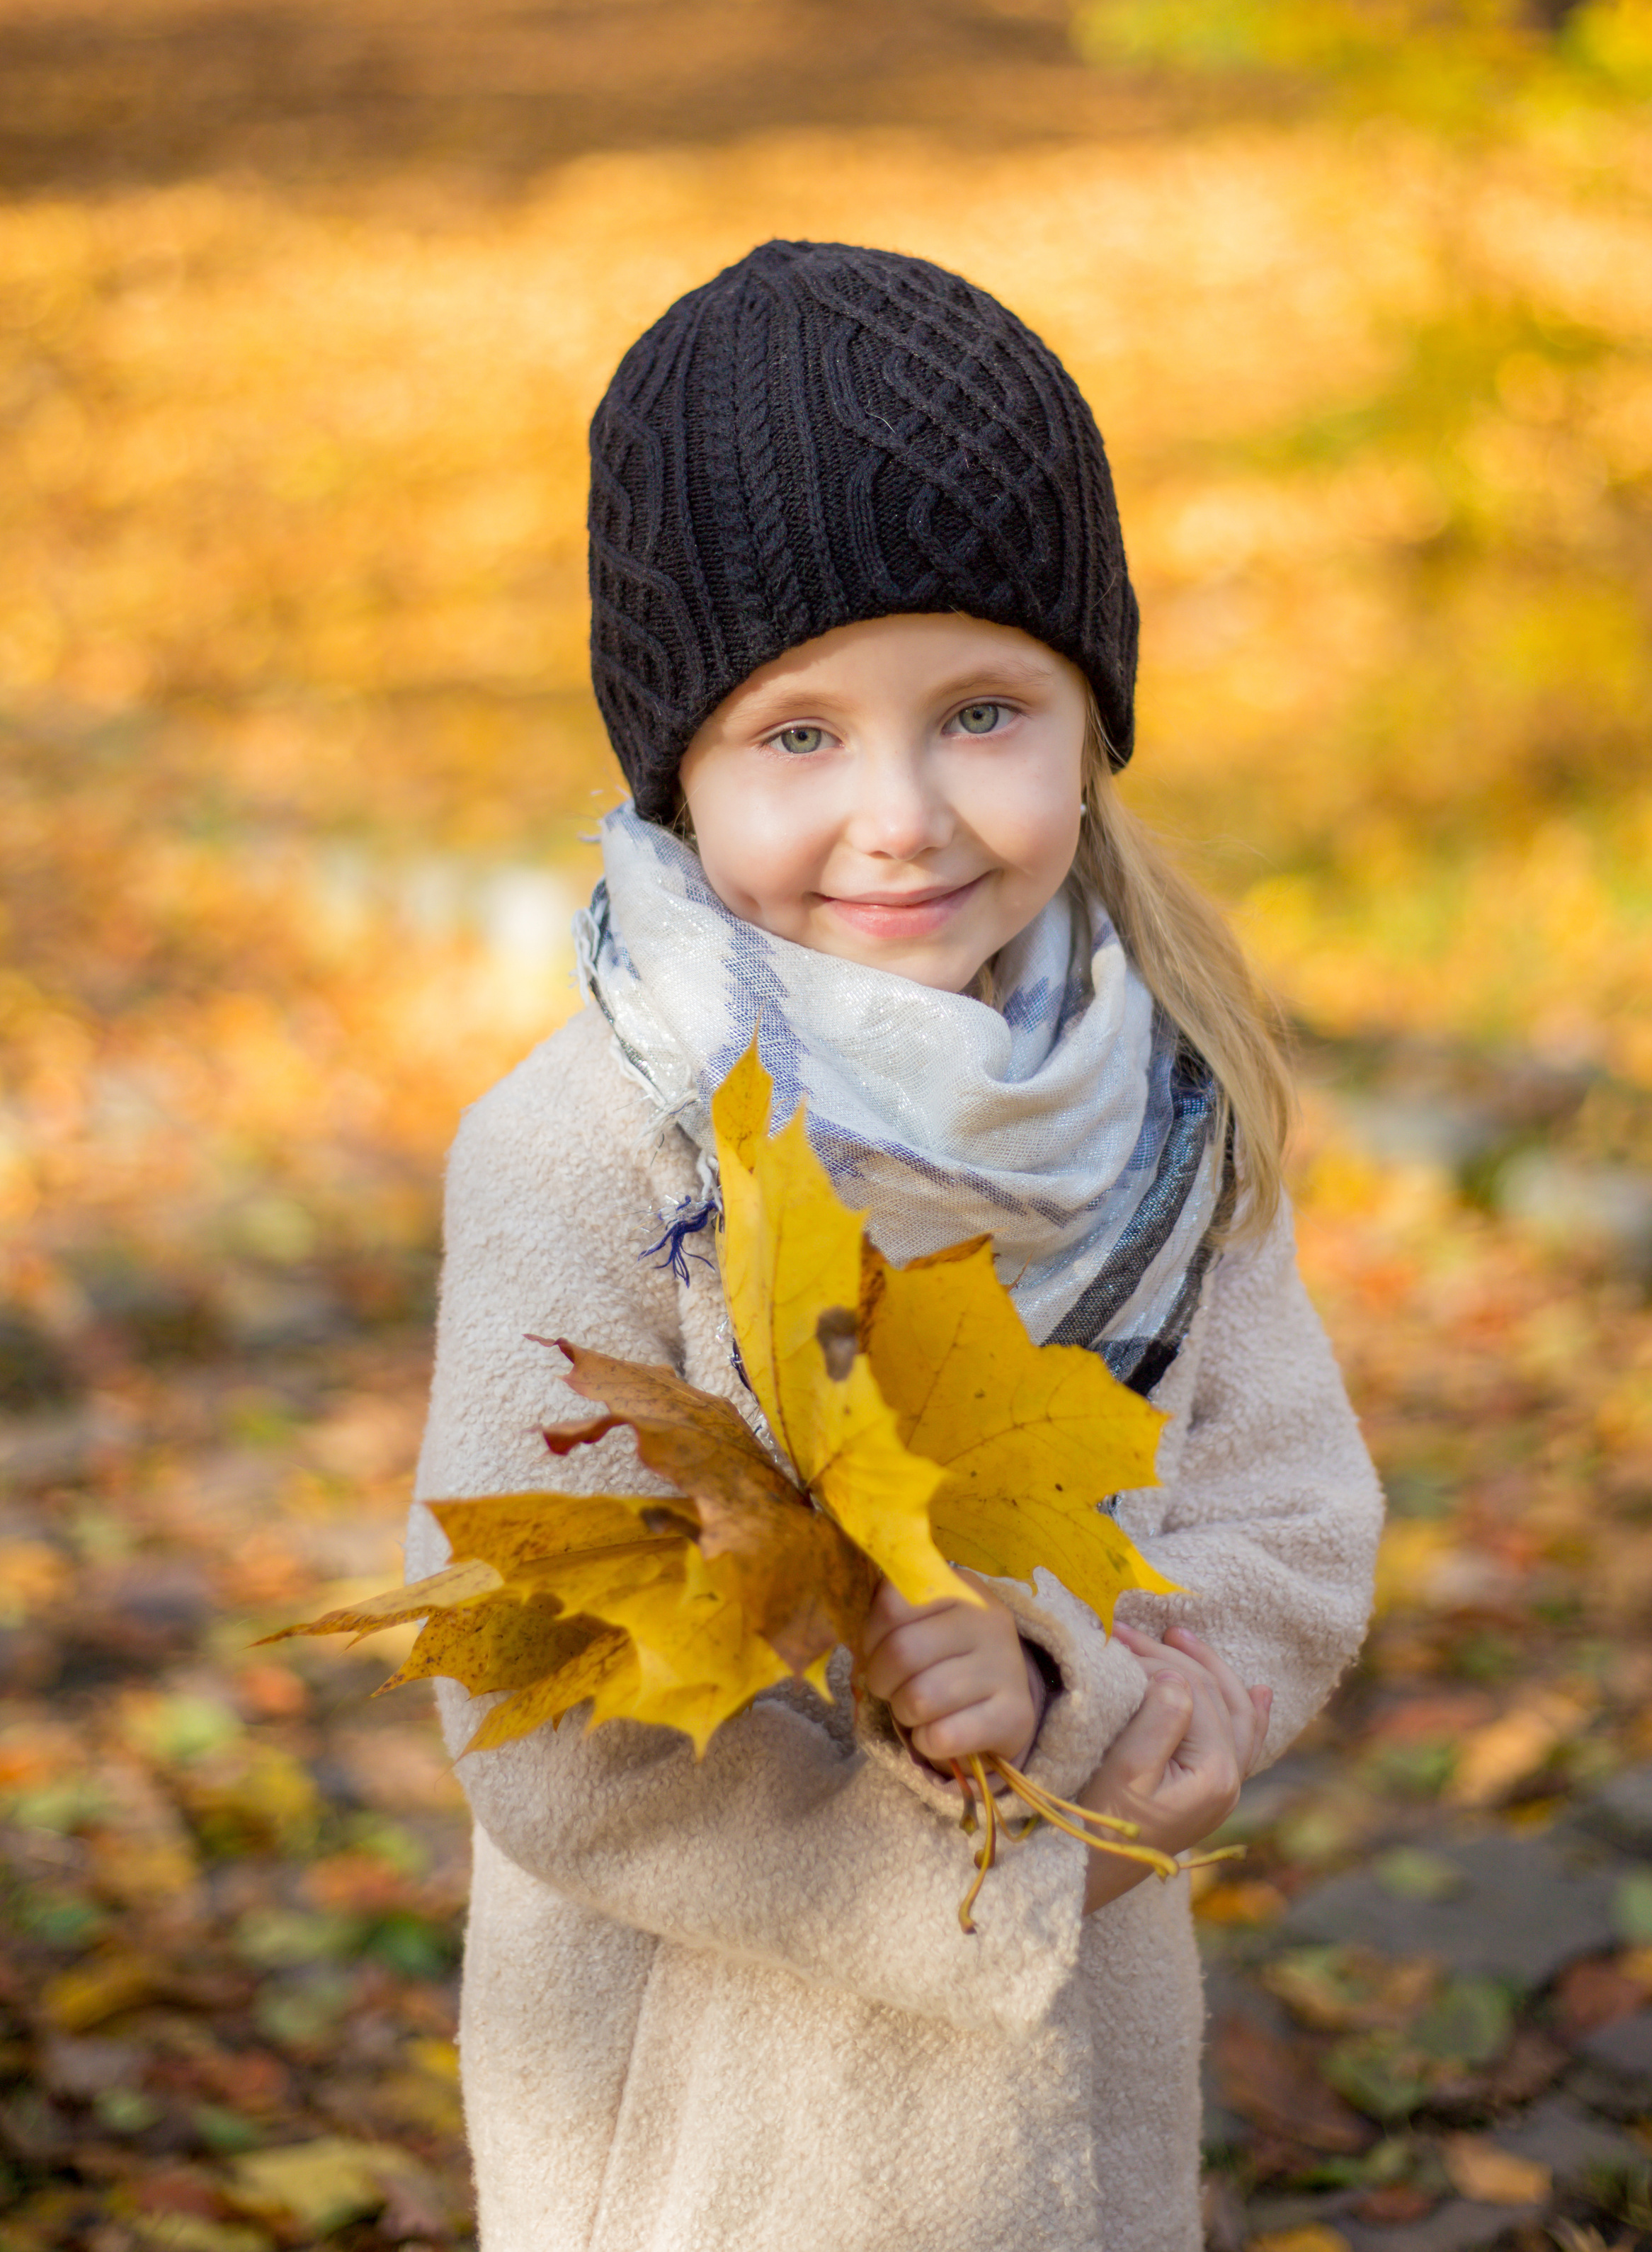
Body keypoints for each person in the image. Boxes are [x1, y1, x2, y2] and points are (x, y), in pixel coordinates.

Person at [406, 239, 1382, 2252]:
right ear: (675, 762)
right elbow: (549, 1719)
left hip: (1077, 2103)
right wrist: (988, 1857)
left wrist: (1078, 1697)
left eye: (982, 709)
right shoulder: (595, 1145)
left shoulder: (1162, 1105)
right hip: (707, 2123)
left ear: (1092, 717)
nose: (905, 814)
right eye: (799, 736)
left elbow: (1285, 1522)